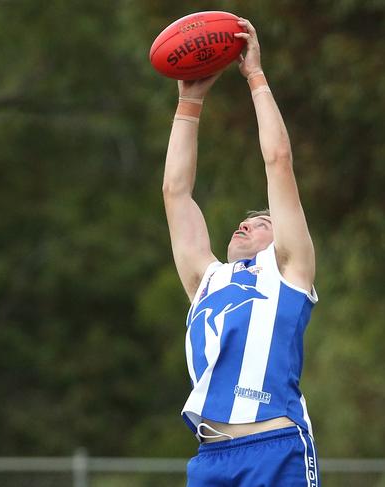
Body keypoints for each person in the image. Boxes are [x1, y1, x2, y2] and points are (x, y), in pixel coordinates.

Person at [162, 17, 320, 487]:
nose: (248, 221)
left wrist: (255, 77)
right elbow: (176, 192)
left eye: (264, 220)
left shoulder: (289, 271)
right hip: (210, 460)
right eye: (247, 218)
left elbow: (278, 160)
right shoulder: (205, 280)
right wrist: (189, 102)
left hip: (275, 451)